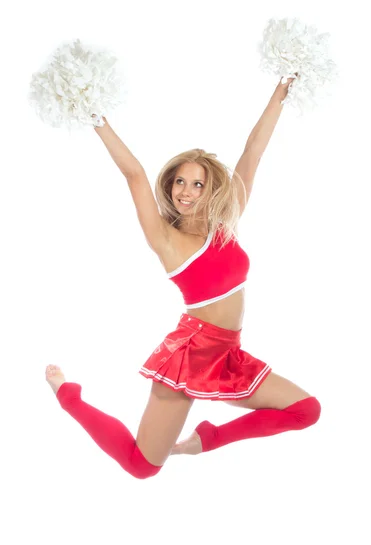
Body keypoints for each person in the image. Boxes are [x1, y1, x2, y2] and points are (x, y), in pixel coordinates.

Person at [45, 78, 321, 480]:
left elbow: (253, 152)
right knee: (142, 466)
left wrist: (282, 88)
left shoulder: (225, 223)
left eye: (197, 183)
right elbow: (134, 174)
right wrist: (95, 115)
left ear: (211, 189)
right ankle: (67, 397)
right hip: (191, 353)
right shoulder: (167, 240)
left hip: (229, 352)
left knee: (306, 409)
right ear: (170, 184)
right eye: (180, 182)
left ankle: (204, 441)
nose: (186, 192)